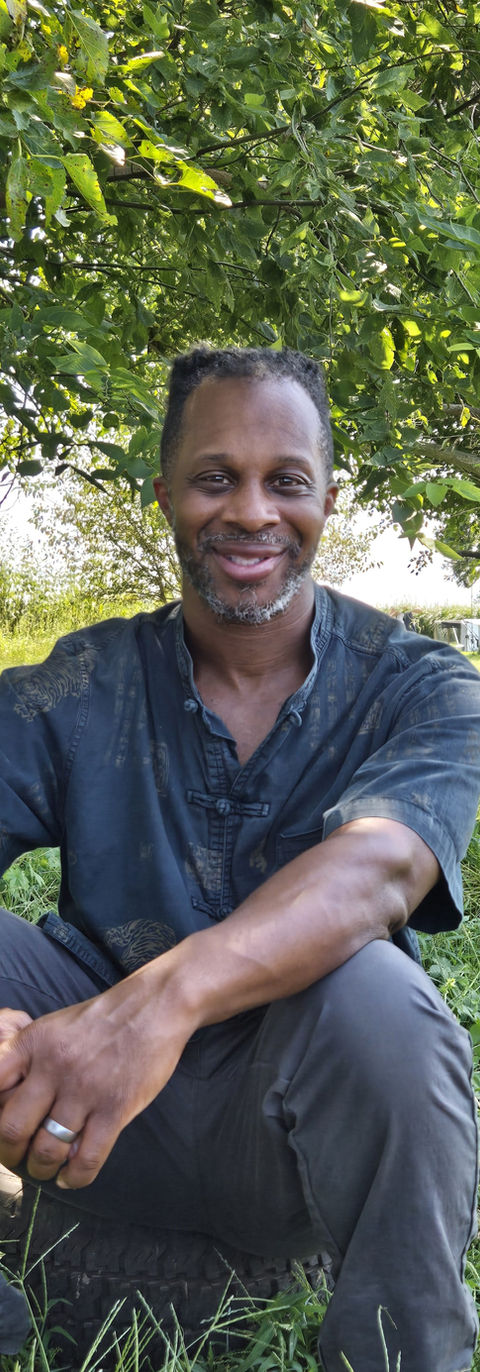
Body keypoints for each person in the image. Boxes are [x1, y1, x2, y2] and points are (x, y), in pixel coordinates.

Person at [0, 345, 479, 1372]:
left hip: (289, 1138)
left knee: (381, 1000)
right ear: (167, 496)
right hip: (79, 1114)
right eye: (216, 477)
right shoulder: (84, 683)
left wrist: (153, 1008)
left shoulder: (424, 690)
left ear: (328, 501)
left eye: (286, 481)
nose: (252, 511)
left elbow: (380, 868)